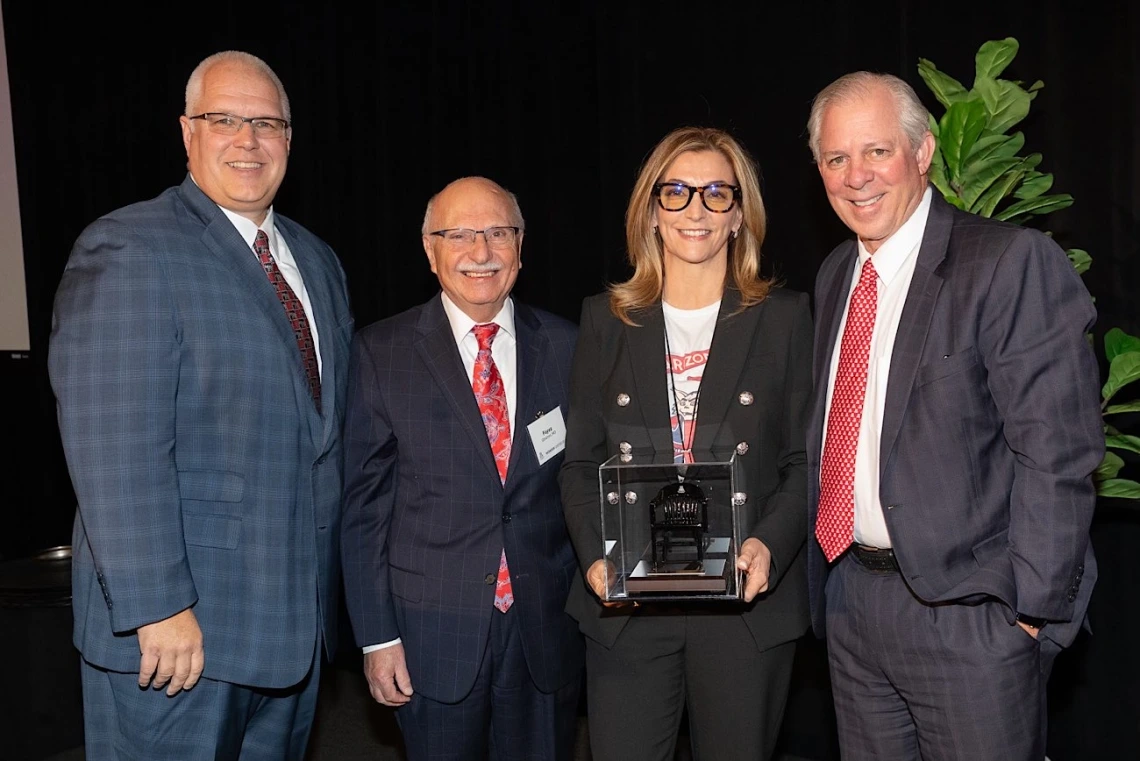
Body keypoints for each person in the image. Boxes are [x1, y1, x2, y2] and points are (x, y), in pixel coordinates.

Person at [48, 50, 353, 759]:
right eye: (225, 120)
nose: (248, 140)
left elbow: (322, 442)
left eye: (267, 123)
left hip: (290, 633)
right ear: (188, 132)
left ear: (289, 140)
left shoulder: (317, 260)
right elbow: (113, 444)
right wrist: (157, 604)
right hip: (180, 639)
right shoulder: (130, 246)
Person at [804, 71, 1103, 760]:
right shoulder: (833, 276)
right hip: (854, 605)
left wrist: (1029, 614)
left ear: (922, 151)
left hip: (972, 618)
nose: (857, 176)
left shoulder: (1006, 262)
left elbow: (1058, 450)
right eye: (836, 158)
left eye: (876, 151)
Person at [560, 126, 813, 761]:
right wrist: (597, 555)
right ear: (650, 212)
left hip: (745, 607)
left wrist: (767, 545)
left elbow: (805, 461)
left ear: (738, 216)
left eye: (715, 194)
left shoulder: (785, 319)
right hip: (629, 605)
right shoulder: (605, 319)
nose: (695, 209)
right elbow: (580, 461)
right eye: (675, 192)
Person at [340, 176, 585, 761]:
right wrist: (377, 638)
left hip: (545, 632)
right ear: (430, 250)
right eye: (459, 235)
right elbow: (363, 512)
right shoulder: (381, 352)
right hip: (431, 637)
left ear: (521, 246)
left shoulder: (571, 346)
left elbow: (587, 485)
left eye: (498, 232)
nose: (481, 252)